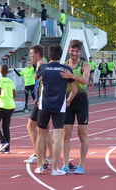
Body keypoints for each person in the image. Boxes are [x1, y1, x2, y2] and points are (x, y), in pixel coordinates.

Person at [35, 44, 77, 175]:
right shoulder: (66, 69)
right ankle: (55, 169)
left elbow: (36, 78)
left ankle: (39, 166)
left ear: (49, 55)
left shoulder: (43, 67)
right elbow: (74, 90)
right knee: (58, 137)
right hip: (59, 105)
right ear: (61, 55)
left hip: (44, 105)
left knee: (41, 135)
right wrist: (68, 101)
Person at [60, 40, 91, 174]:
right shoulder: (63, 65)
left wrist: (72, 75)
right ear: (68, 50)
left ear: (80, 52)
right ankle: (65, 164)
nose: (74, 53)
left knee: (82, 134)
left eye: (77, 51)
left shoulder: (85, 65)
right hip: (67, 102)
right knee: (66, 134)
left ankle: (81, 165)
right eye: (72, 51)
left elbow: (85, 80)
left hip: (81, 102)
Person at [24, 45, 53, 171]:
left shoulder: (41, 64)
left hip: (42, 100)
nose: (30, 55)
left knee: (32, 127)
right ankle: (48, 155)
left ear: (37, 54)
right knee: (44, 129)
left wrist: (39, 98)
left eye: (31, 53)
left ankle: (40, 155)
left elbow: (44, 83)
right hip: (40, 99)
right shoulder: (41, 64)